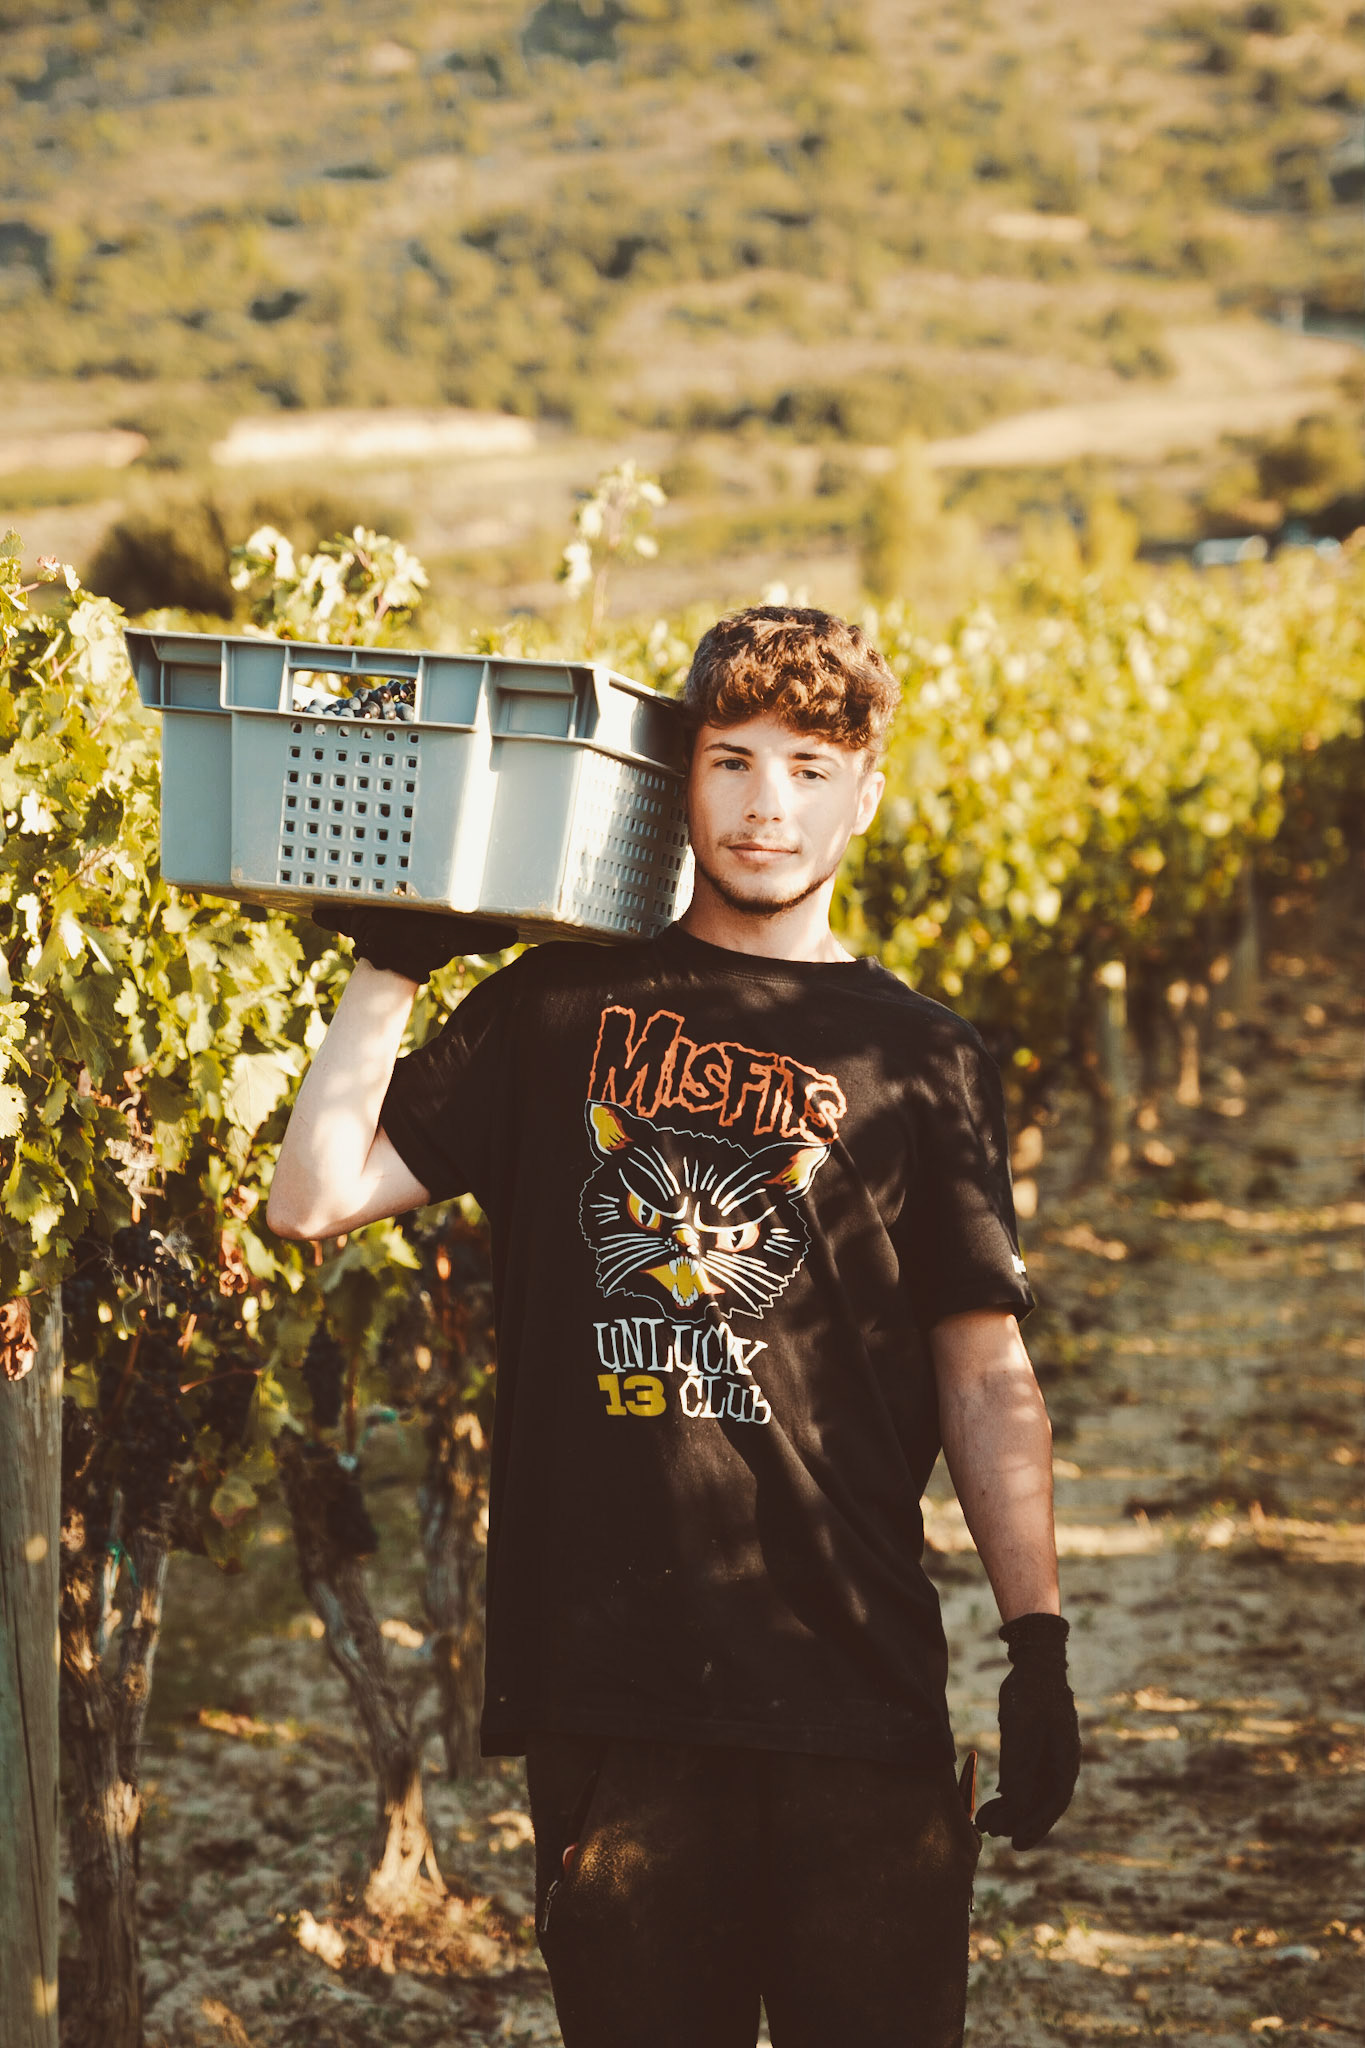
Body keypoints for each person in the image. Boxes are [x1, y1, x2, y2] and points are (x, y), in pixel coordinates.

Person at [266, 605, 1080, 2048]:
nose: (769, 805)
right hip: (612, 1695)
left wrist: (1039, 1647)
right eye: (733, 760)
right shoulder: (556, 1009)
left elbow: (983, 1370)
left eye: (810, 768)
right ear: (678, 779)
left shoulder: (920, 1054)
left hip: (854, 1682)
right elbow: (313, 1198)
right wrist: (390, 961)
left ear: (863, 793)